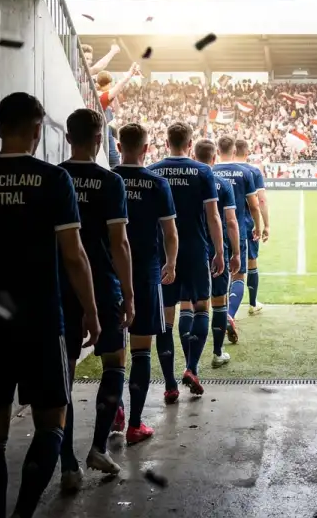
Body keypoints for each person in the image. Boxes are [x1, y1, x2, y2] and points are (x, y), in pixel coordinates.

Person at [0, 92, 100, 518]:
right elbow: (74, 255)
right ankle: (24, 514)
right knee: (51, 422)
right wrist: (92, 312)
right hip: (41, 321)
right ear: (37, 130)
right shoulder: (52, 180)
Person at [58, 109, 135, 478]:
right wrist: (130, 293)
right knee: (115, 362)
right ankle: (98, 448)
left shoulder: (53, 178)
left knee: (64, 373)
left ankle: (68, 464)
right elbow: (119, 243)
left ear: (68, 137)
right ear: (99, 138)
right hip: (103, 284)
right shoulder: (109, 181)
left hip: (60, 285)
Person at [112, 123, 179, 445]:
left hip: (108, 273)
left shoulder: (107, 179)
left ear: (118, 144)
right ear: (146, 148)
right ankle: (135, 425)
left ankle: (117, 411)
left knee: (114, 350)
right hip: (145, 272)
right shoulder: (156, 183)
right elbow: (169, 232)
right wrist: (171, 263)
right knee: (141, 349)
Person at [149, 122, 225, 398]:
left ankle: (169, 385)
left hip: (163, 254)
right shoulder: (203, 171)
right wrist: (219, 251)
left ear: (167, 141)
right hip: (195, 250)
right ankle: (191, 368)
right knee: (201, 306)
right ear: (190, 143)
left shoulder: (153, 171)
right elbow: (213, 216)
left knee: (167, 318)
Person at [194, 138, 242, 368]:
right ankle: (217, 352)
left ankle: (191, 361)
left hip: (192, 248)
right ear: (214, 159)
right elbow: (231, 222)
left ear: (195, 157)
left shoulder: (188, 181)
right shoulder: (222, 183)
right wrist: (235, 253)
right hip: (216, 249)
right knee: (219, 301)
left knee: (191, 305)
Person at [214, 136, 263, 343]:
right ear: (234, 151)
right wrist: (259, 227)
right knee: (238, 276)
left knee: (218, 276)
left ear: (218, 150)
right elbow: (254, 205)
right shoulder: (245, 172)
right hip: (238, 231)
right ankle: (229, 315)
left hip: (214, 232)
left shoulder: (210, 171)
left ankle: (219, 315)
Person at [234, 139, 269, 315]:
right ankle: (253, 303)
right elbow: (260, 200)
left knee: (227, 264)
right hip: (247, 223)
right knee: (251, 261)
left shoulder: (219, 169)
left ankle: (222, 305)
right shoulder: (253, 171)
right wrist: (265, 225)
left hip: (224, 224)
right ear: (247, 153)